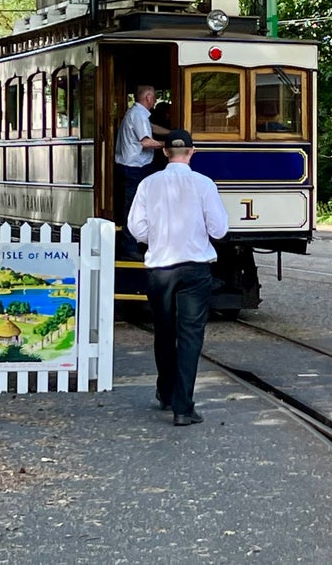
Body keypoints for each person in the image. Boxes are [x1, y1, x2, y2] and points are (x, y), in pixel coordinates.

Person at [126, 129, 229, 427]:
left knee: (164, 331)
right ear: (193, 151)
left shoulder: (148, 184)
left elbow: (137, 227)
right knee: (190, 336)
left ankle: (166, 392)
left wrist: (155, 238)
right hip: (195, 268)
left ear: (164, 152)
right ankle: (183, 406)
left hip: (160, 269)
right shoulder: (204, 184)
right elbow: (219, 229)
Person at [114, 85, 170, 259]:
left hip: (137, 167)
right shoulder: (138, 115)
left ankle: (140, 242)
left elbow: (151, 127)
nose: (155, 101)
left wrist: (173, 133)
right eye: (154, 97)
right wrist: (170, 145)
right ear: (147, 98)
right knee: (133, 206)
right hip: (135, 168)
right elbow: (146, 142)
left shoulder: (138, 114)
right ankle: (129, 247)